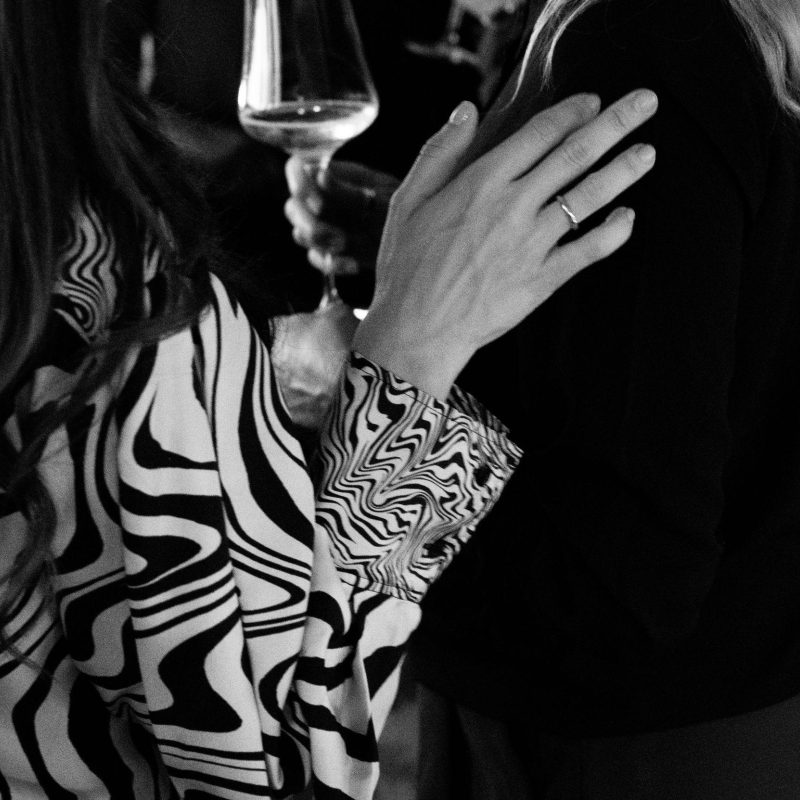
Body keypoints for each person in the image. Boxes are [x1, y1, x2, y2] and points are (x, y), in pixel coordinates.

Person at [0, 1, 658, 798]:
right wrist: (411, 355)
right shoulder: (111, 296)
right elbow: (282, 763)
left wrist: (250, 383)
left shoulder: (46, 259)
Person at [291, 0, 800, 797]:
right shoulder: (732, 38)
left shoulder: (653, 42)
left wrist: (367, 398)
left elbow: (614, 585)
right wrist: (432, 257)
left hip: (598, 753)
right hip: (745, 714)